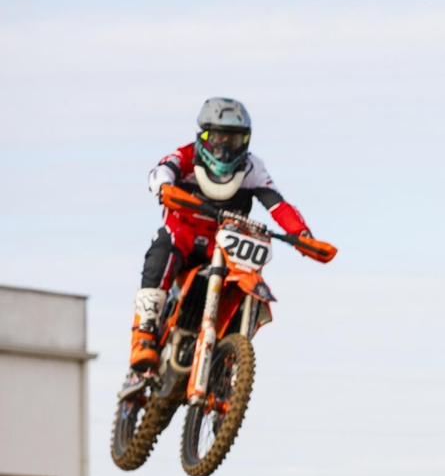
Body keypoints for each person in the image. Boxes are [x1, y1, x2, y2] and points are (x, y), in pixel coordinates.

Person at [128, 97, 314, 370]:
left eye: (233, 140)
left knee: (245, 278)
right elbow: (161, 172)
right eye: (218, 138)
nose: (225, 148)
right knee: (162, 250)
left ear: (245, 141)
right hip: (183, 235)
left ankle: (226, 357)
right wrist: (164, 187)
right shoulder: (186, 156)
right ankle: (144, 334)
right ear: (203, 136)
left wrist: (302, 234)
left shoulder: (252, 168)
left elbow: (277, 204)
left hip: (225, 243)